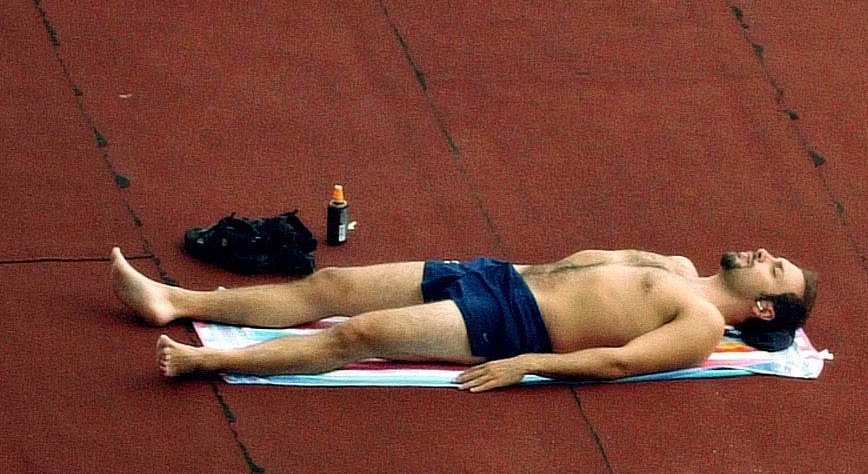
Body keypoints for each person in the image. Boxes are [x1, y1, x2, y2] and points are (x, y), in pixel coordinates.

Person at [111, 244, 816, 391]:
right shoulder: (673, 264)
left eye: (775, 268)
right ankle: (177, 300)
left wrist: (527, 361)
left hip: (513, 325)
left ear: (762, 304)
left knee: (359, 335)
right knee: (332, 282)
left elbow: (622, 360)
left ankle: (209, 359)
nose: (763, 253)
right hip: (498, 274)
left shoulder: (696, 323)